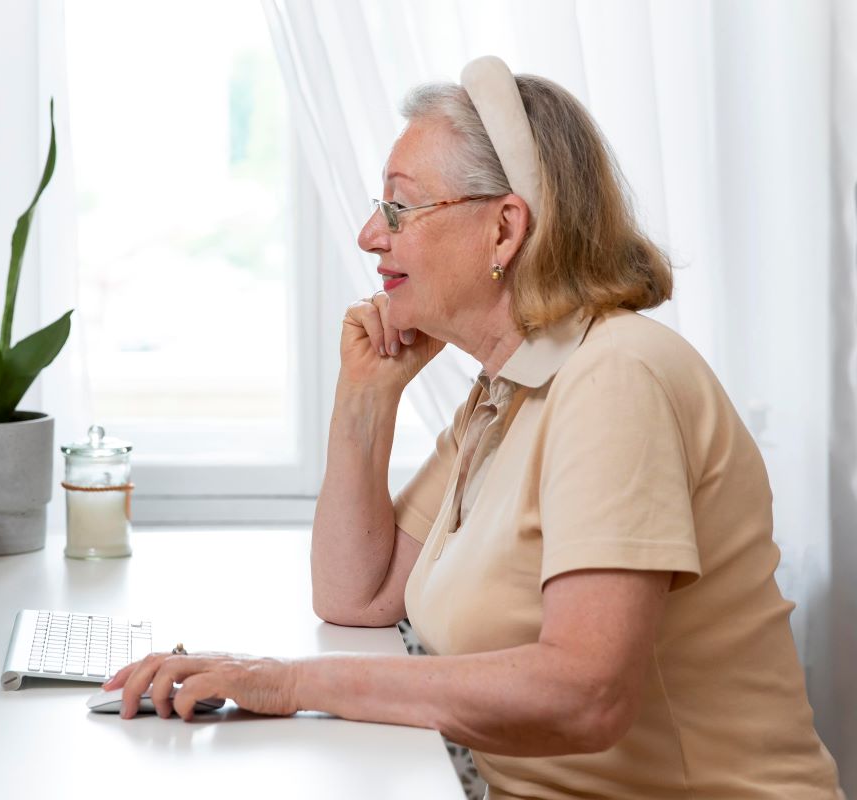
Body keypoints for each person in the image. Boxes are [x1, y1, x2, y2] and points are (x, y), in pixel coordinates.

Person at [103, 56, 843, 798]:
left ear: (503, 229)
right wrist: (366, 398)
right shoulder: (507, 392)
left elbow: (586, 694)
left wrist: (287, 682)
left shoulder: (618, 379)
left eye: (399, 207)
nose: (369, 235)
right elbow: (356, 595)